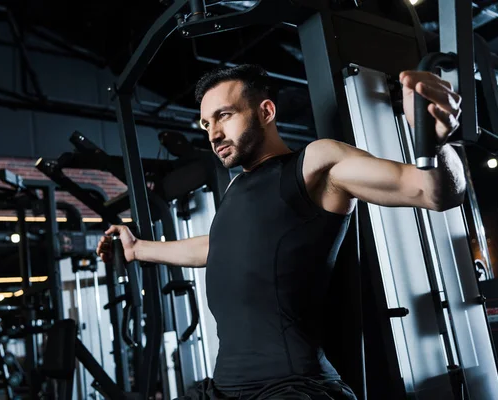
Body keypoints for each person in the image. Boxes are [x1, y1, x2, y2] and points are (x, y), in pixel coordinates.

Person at [96, 65, 466, 399]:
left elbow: (432, 193)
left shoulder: (315, 164)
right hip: (223, 389)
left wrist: (436, 142)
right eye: (206, 124)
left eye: (223, 116)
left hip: (291, 388)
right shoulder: (234, 188)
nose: (213, 133)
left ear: (266, 112)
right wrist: (137, 249)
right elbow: (216, 248)